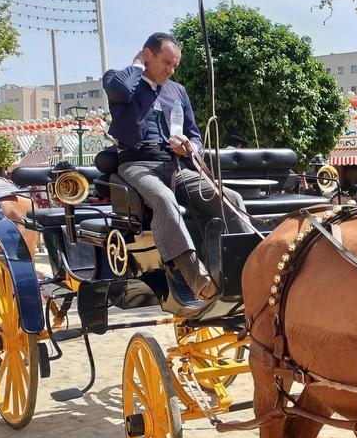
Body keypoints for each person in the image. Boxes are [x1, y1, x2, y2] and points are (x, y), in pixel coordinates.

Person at [103, 32, 254, 301]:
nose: (171, 70)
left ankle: (251, 267)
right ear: (147, 54)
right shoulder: (120, 79)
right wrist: (138, 65)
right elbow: (122, 90)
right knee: (164, 199)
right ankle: (198, 280)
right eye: (166, 62)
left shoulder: (178, 91)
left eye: (175, 65)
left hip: (174, 165)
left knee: (230, 198)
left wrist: (190, 147)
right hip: (136, 164)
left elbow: (194, 133)